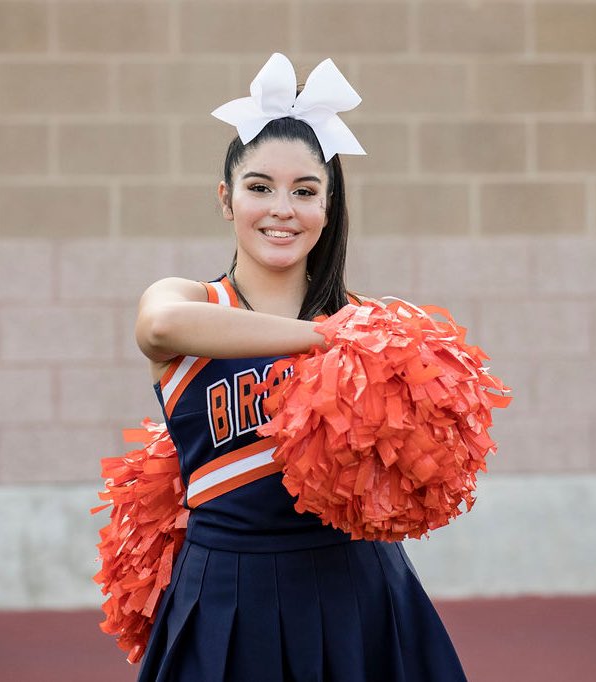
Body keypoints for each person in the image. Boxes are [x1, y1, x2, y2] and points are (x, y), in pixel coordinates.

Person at [133, 53, 468, 682]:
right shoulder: (194, 302)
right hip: (226, 593)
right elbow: (157, 327)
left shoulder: (367, 321)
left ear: (328, 205)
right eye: (259, 187)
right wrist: (321, 338)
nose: (281, 209)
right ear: (226, 200)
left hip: (357, 589)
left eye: (304, 191)